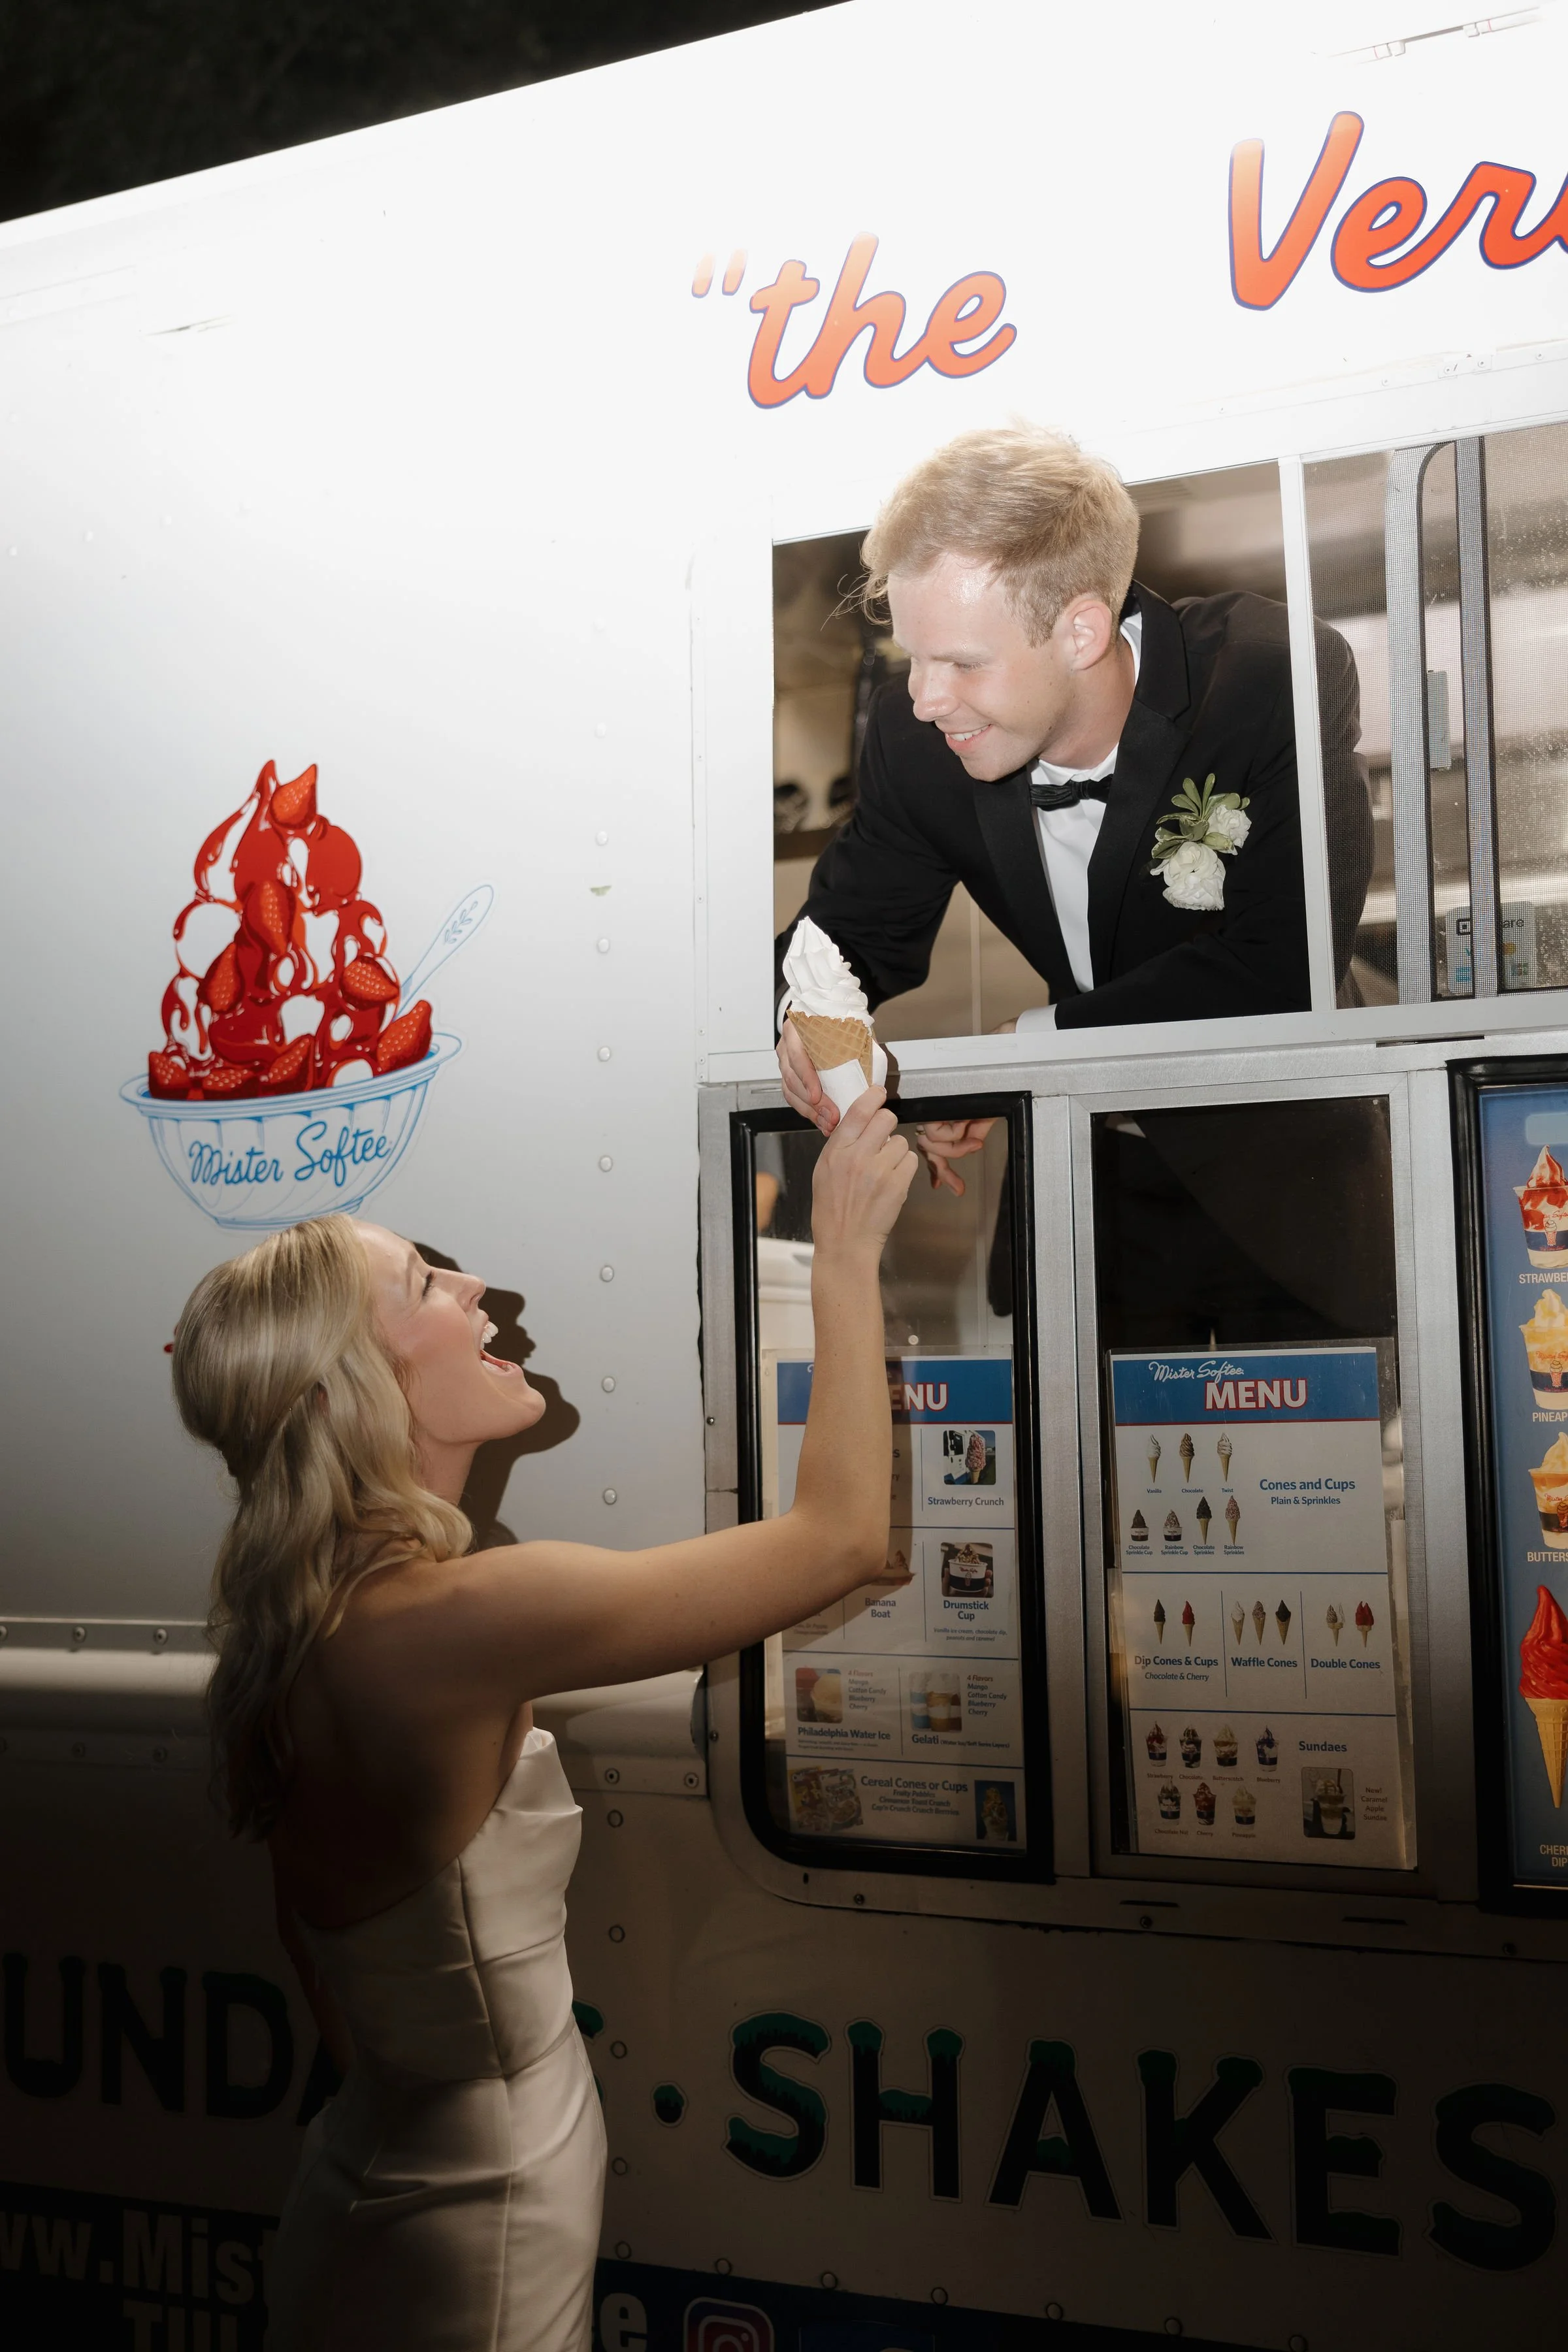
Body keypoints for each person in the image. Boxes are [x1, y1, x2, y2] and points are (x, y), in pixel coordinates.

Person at [170, 1088, 915, 2352]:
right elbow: (840, 1539)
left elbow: (322, 1970)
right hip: (485, 2215)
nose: (478, 1294)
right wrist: (844, 1249)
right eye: (427, 1285)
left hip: (367, 2173)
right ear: (360, 1381)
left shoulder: (294, 1625)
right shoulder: (467, 1619)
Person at [776, 424, 1372, 1194]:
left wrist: (1024, 1047)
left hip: (1294, 1183)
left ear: (1081, 631)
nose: (924, 700)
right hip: (1082, 1186)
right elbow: (846, 935)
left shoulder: (1269, 676)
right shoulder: (913, 739)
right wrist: (802, 1014)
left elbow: (1285, 964)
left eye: (961, 662)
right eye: (913, 658)